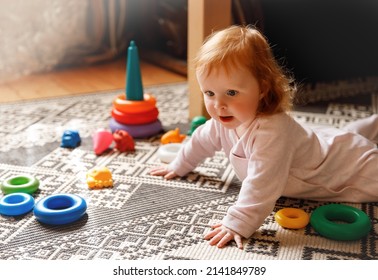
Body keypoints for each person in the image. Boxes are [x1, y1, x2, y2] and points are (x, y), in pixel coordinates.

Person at [150, 25, 378, 249]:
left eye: (231, 93)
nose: (219, 105)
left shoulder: (272, 131)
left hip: (343, 167)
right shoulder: (226, 118)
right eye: (209, 93)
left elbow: (262, 184)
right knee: (347, 137)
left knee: (361, 155)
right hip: (322, 143)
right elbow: (202, 139)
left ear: (262, 88)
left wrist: (238, 223)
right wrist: (181, 163)